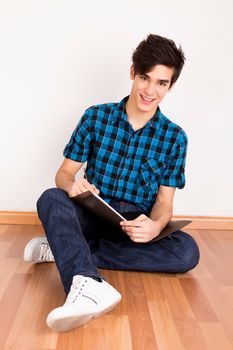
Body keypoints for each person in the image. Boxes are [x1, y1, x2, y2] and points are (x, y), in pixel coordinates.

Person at [24, 34, 200, 332]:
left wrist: (155, 227)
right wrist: (72, 186)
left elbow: (164, 203)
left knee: (187, 252)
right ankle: (88, 283)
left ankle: (66, 247)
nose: (150, 90)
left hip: (133, 225)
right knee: (51, 197)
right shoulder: (96, 117)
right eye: (145, 78)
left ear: (170, 86)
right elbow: (63, 173)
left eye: (161, 83)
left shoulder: (175, 138)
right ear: (133, 72)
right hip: (92, 212)